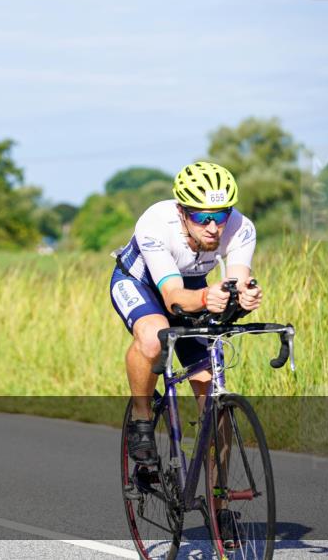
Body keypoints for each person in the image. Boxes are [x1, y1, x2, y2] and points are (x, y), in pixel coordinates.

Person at [110, 162, 262, 466]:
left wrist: (242, 298)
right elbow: (172, 298)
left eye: (220, 216)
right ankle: (141, 419)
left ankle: (220, 504)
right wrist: (208, 296)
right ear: (182, 211)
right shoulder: (155, 223)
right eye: (200, 216)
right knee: (154, 337)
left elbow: (236, 281)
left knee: (213, 398)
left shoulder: (241, 227)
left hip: (192, 287)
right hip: (142, 283)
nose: (212, 226)